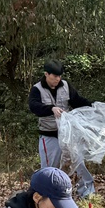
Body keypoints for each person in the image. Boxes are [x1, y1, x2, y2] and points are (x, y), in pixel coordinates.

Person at [27, 60, 96, 198]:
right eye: (54, 77)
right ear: (46, 74)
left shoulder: (65, 86)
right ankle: (48, 195)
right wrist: (50, 109)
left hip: (67, 135)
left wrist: (93, 107)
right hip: (49, 135)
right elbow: (34, 106)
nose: (58, 79)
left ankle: (87, 191)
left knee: (78, 161)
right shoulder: (37, 89)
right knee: (49, 167)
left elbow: (77, 101)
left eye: (60, 76)